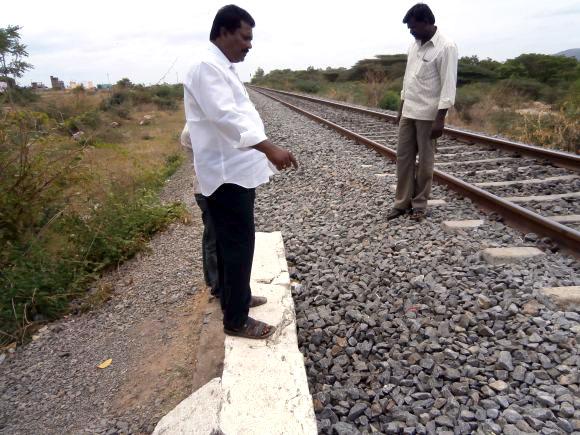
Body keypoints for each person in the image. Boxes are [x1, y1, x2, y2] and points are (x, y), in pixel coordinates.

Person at [183, 5, 297, 339]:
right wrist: (270, 148)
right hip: (225, 174)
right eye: (245, 37)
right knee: (237, 245)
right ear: (224, 32)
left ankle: (239, 298)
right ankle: (236, 320)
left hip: (233, 171)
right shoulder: (206, 66)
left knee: (231, 242)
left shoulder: (221, 66)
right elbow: (227, 119)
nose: (249, 45)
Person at [388, 3, 458, 221]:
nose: (411, 31)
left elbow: (448, 84)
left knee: (426, 162)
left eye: (414, 26)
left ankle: (419, 205)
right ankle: (401, 203)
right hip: (409, 110)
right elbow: (408, 79)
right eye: (409, 28)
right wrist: (400, 108)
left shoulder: (446, 47)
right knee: (403, 158)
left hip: (429, 114)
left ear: (427, 22)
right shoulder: (413, 46)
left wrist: (441, 119)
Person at [180, 125, 219, 298]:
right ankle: (218, 285)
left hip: (207, 188)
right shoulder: (192, 130)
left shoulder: (195, 125)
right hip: (207, 190)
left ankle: (213, 281)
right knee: (214, 237)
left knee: (211, 235)